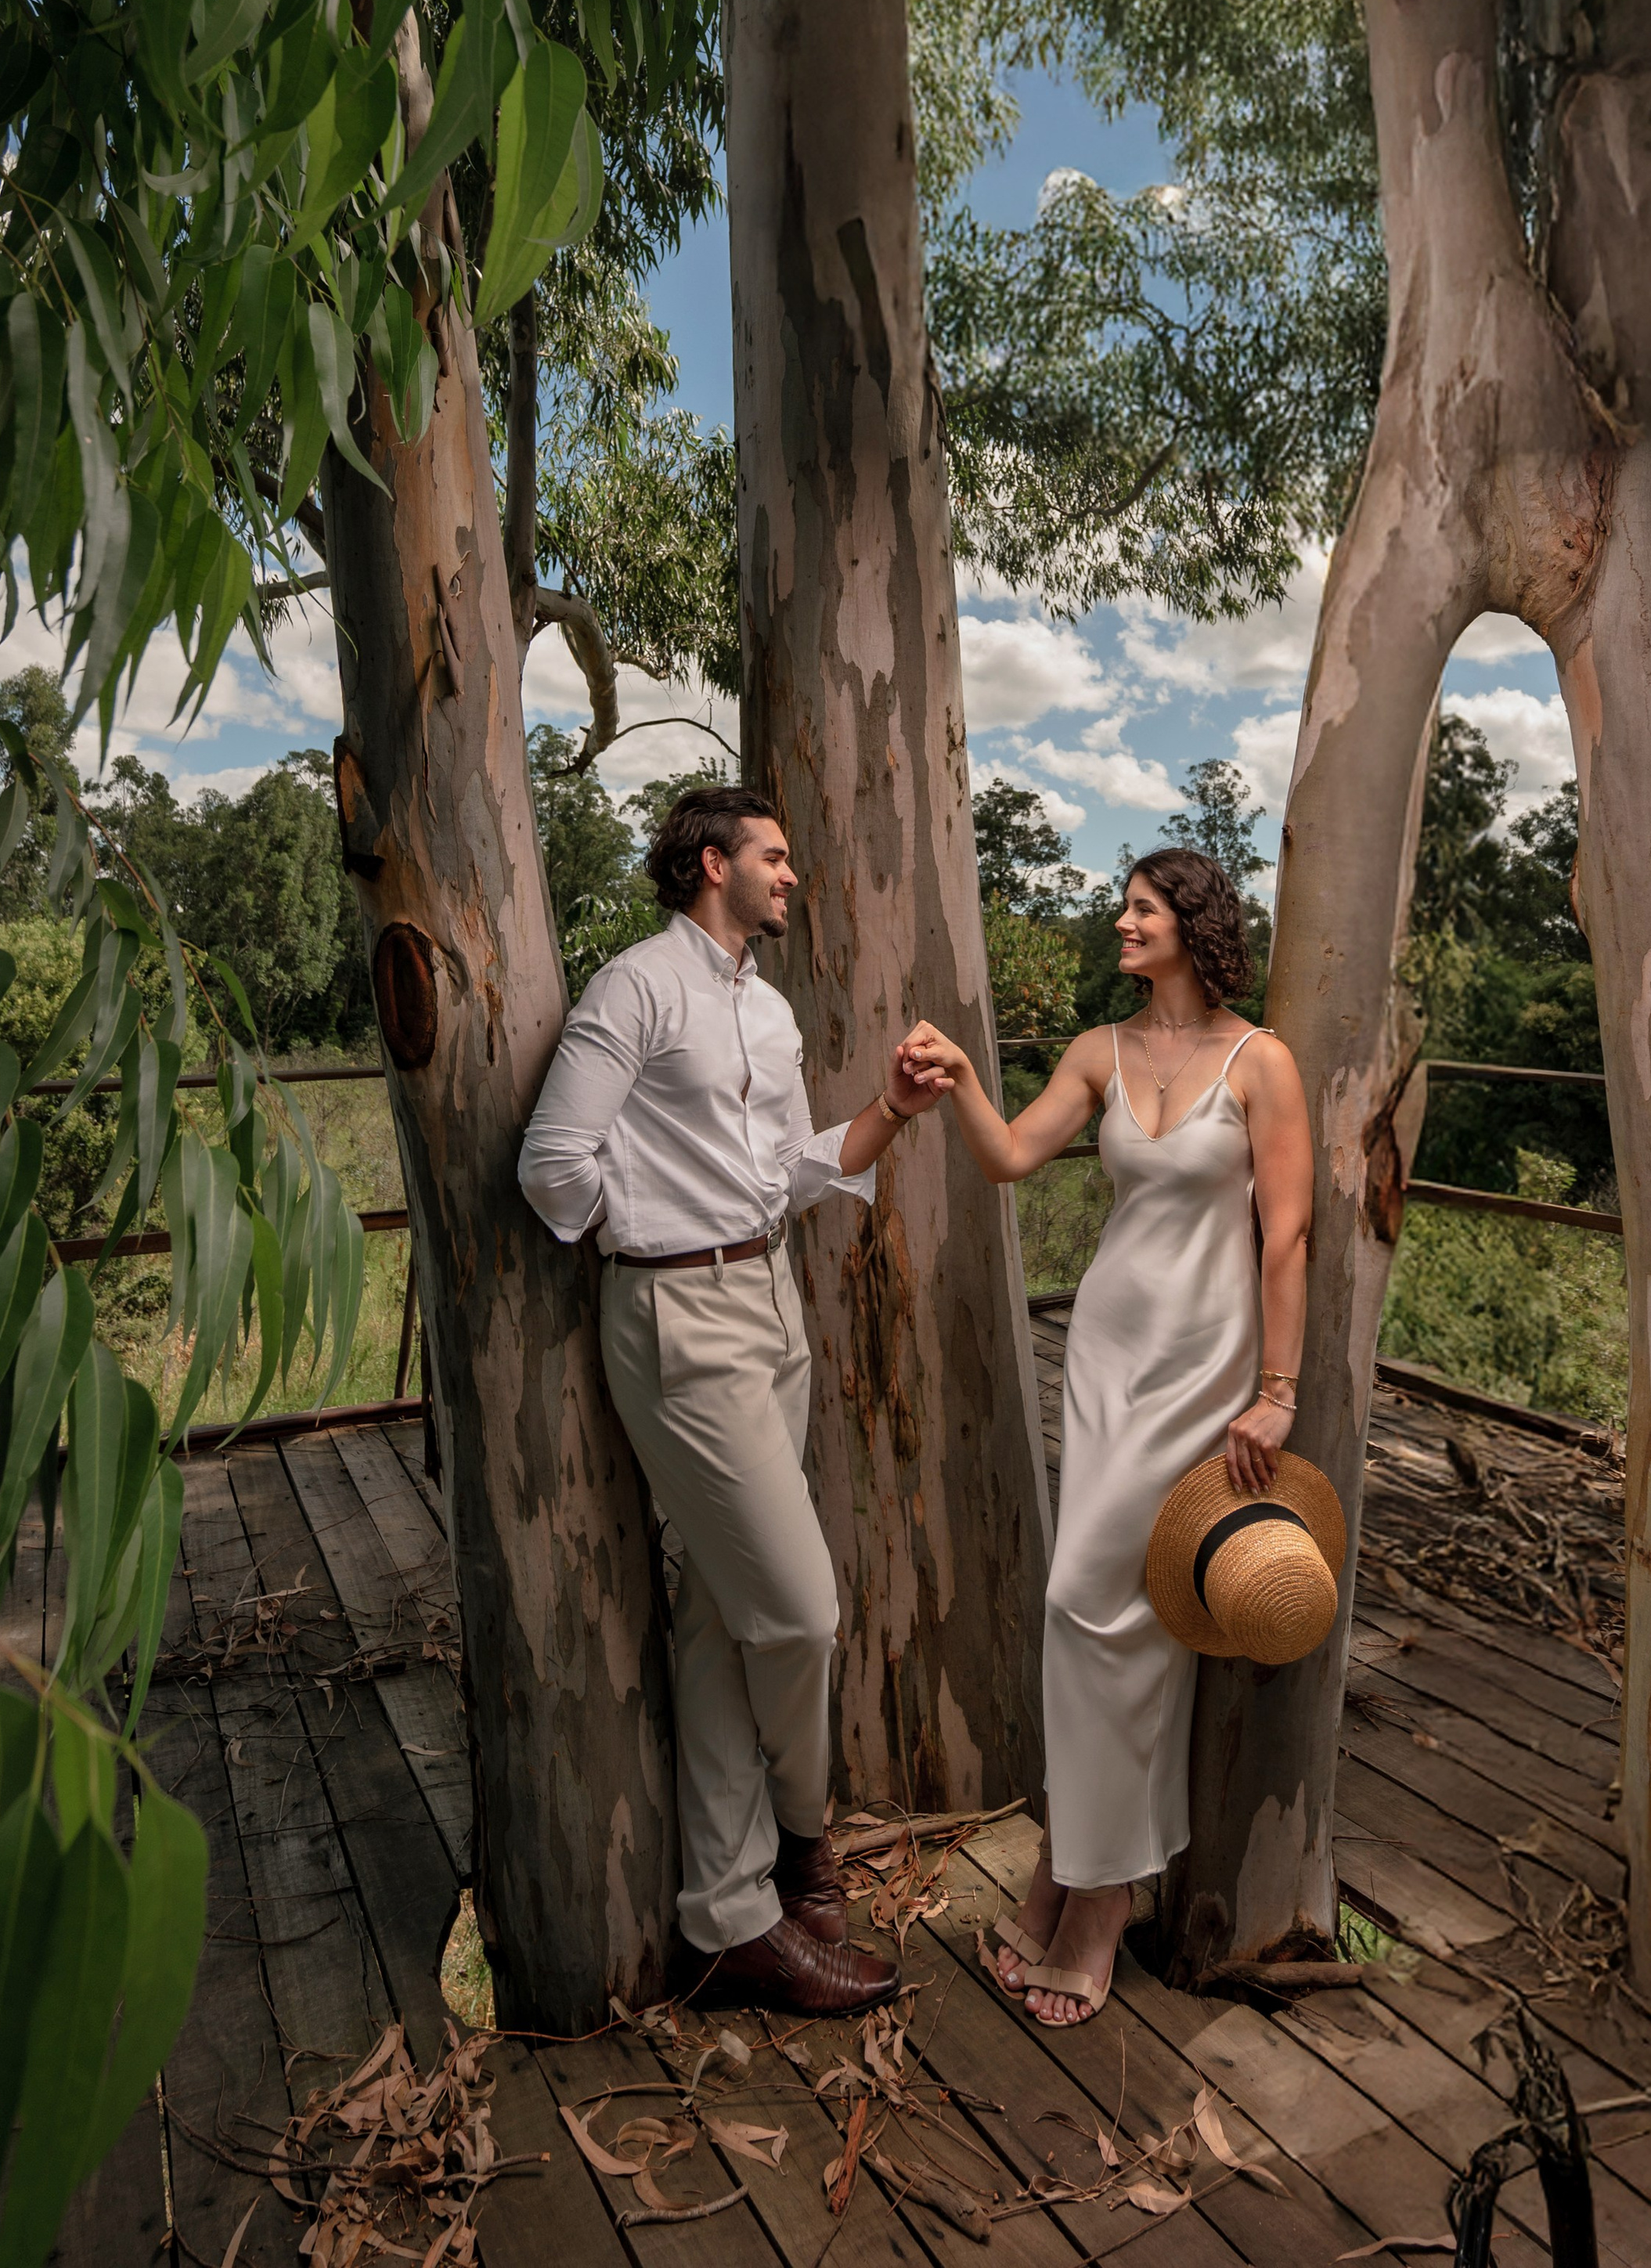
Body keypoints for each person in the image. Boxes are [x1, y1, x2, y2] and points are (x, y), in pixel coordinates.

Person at [517, 783, 941, 2017]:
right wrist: (650, 1247)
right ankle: (805, 1851)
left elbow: (781, 1176)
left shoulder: (768, 1008)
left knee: (718, 1617)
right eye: (774, 855)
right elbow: (554, 1161)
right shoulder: (635, 987)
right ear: (713, 865)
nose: (791, 875)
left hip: (772, 1309)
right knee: (802, 1613)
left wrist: (890, 1116)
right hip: (678, 1321)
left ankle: (726, 1918)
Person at [894, 849, 1311, 2028]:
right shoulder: (1098, 1051)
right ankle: (1078, 1873)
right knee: (1100, 1616)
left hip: (1202, 1368)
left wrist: (1277, 1391)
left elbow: (1286, 1238)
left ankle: (1096, 1897)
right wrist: (967, 1075)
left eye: (1142, 909)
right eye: (1122, 909)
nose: (1121, 923)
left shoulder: (1260, 1061)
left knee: (1109, 1612)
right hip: (1105, 1356)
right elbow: (1009, 1158)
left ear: (1194, 924)